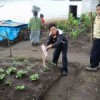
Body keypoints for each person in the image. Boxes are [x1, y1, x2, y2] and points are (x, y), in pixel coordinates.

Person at [86, 4, 100, 71]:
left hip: (99, 38)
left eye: (99, 9)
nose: (98, 11)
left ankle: (93, 66)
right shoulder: (97, 17)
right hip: (96, 37)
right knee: (97, 52)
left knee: (94, 52)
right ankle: (96, 64)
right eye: (97, 10)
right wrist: (93, 36)